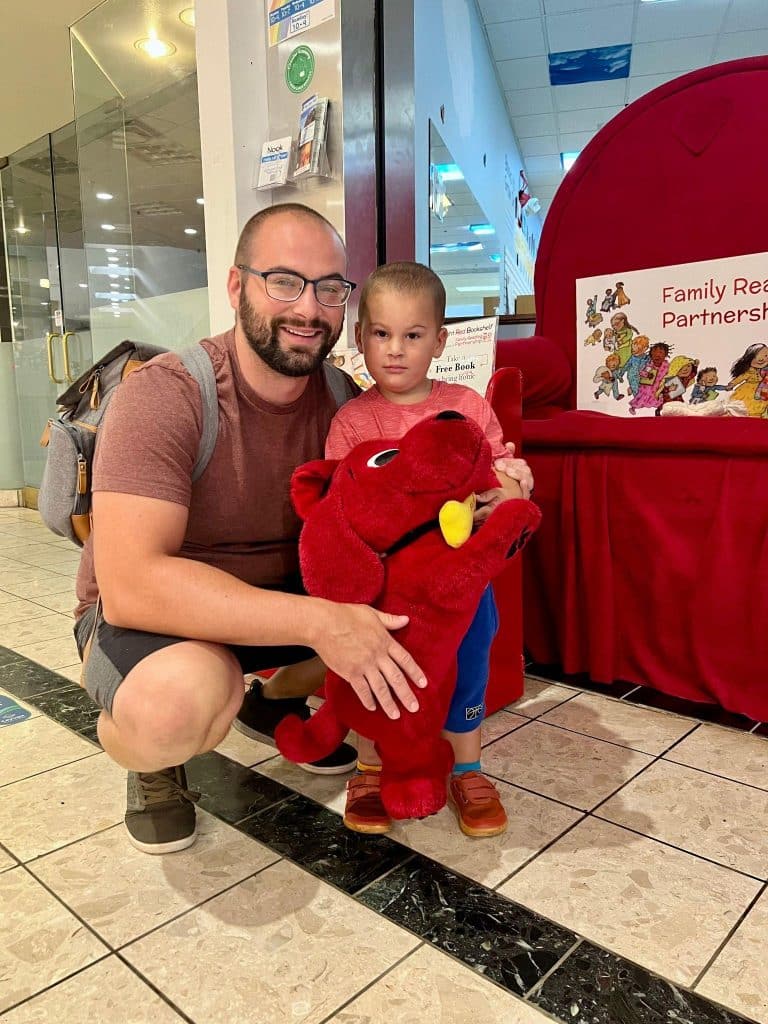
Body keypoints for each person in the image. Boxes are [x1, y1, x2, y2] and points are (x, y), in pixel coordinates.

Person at [73, 204, 435, 855]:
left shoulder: (346, 400)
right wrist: (320, 625)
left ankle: (267, 700)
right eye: (284, 281)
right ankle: (149, 758)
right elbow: (130, 586)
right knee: (174, 709)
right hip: (162, 624)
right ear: (238, 287)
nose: (309, 308)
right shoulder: (165, 395)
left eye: (329, 288)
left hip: (280, 608)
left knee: (413, 625)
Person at [319, 261, 531, 838]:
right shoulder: (353, 420)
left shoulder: (465, 407)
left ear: (439, 340)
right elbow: (340, 504)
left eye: (412, 335)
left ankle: (467, 769)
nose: (395, 350)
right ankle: (369, 765)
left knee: (468, 667)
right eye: (381, 334)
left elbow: (503, 474)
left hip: (461, 586)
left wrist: (505, 490)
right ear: (360, 338)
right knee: (374, 669)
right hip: (383, 588)